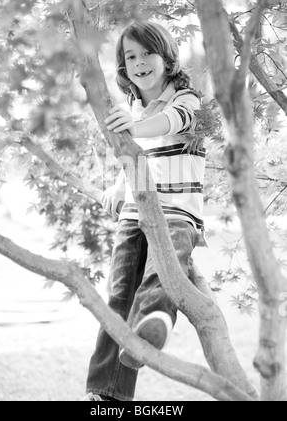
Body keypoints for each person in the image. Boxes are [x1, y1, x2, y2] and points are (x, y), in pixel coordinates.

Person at [84, 22, 206, 402]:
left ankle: (154, 323)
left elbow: (169, 124)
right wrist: (118, 189)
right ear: (123, 67)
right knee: (118, 294)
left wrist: (135, 126)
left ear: (167, 58)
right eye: (129, 56)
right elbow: (132, 160)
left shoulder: (187, 99)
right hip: (134, 214)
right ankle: (107, 392)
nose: (138, 62)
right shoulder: (130, 110)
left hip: (177, 213)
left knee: (161, 271)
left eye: (146, 53)